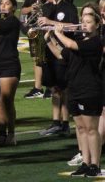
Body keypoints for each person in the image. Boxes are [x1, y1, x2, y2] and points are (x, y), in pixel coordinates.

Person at [45, 13, 102, 177]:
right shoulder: (79, 42)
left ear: (97, 25)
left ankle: (94, 165)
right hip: (74, 89)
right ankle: (85, 162)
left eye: (89, 22)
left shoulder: (96, 42)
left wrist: (59, 33)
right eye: (83, 22)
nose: (84, 25)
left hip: (90, 90)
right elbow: (61, 54)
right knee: (81, 128)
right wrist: (49, 39)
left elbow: (71, 45)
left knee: (91, 129)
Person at [37, 0, 79, 137]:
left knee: (64, 88)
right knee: (54, 88)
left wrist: (50, 21)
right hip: (47, 51)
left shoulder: (69, 8)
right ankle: (55, 122)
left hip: (62, 53)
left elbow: (74, 26)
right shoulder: (46, 7)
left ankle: (65, 123)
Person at [0, 0, 21, 147]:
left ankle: (11, 134)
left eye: (7, 4)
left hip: (9, 64)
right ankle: (2, 133)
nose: (3, 6)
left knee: (6, 101)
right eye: (1, 3)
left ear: (14, 7)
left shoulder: (12, 21)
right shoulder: (0, 21)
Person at [20, 0, 50, 99]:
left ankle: (50, 87)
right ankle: (38, 88)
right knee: (38, 58)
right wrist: (31, 9)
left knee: (48, 58)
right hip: (35, 28)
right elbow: (22, 10)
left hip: (48, 28)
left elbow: (54, 0)